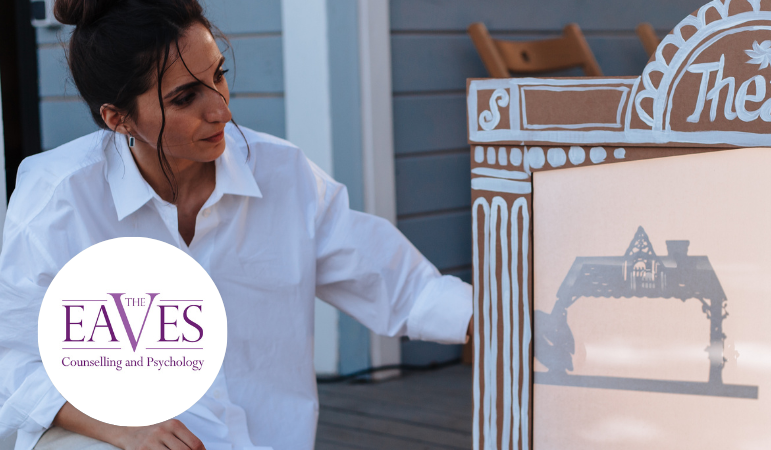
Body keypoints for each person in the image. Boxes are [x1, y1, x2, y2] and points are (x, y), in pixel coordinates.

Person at [0, 0, 474, 449]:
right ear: (119, 118)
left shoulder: (282, 175)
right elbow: (13, 359)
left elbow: (399, 287)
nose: (222, 110)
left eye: (218, 75)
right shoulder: (59, 199)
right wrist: (124, 427)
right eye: (185, 98)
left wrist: (508, 320)